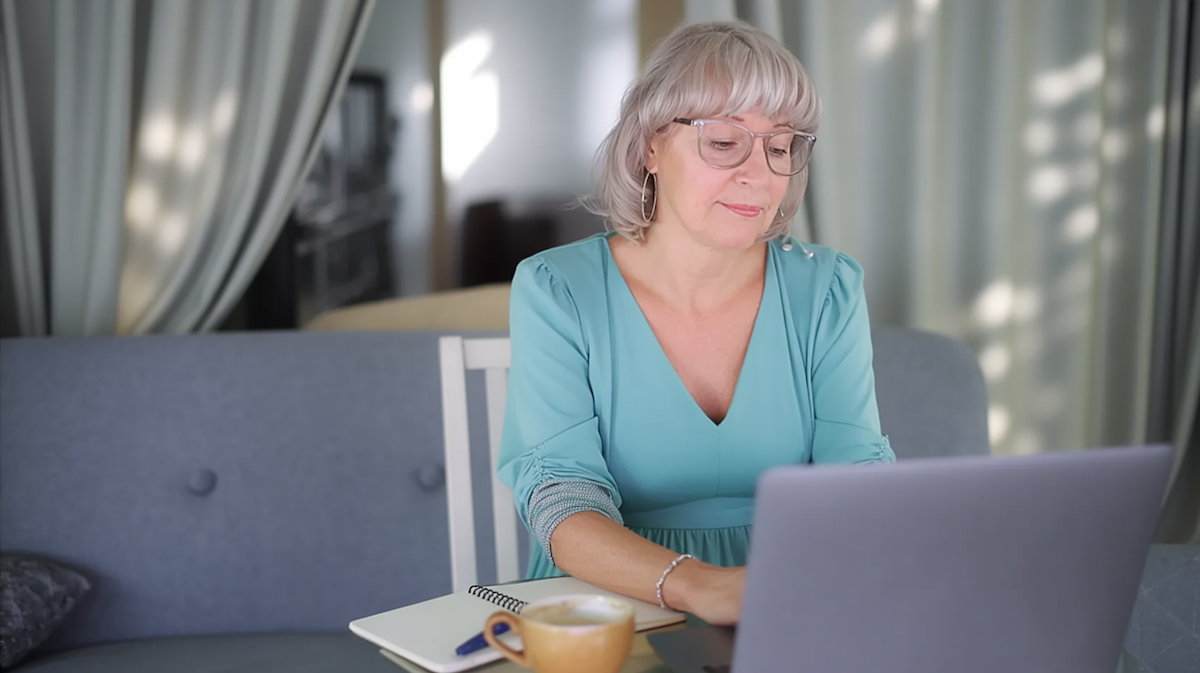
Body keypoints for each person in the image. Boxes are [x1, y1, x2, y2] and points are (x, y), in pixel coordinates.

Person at [496, 20, 895, 626]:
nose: (759, 174)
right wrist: (701, 587)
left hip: (789, 596)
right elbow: (561, 497)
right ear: (651, 145)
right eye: (724, 142)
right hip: (605, 603)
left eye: (780, 146)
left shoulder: (829, 288)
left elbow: (858, 476)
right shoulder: (557, 289)